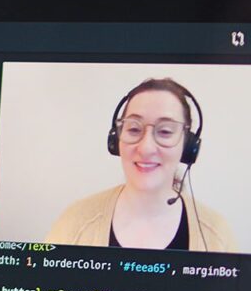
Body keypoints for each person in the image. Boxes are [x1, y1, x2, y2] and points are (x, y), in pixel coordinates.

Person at [45, 78, 236, 252]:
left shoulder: (216, 235)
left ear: (187, 146)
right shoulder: (74, 224)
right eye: (134, 129)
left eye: (165, 132)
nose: (146, 148)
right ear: (116, 141)